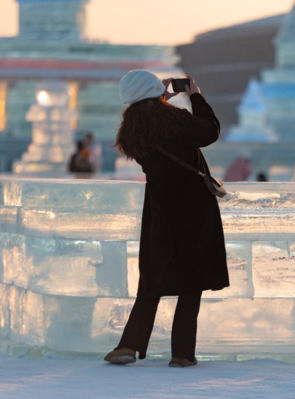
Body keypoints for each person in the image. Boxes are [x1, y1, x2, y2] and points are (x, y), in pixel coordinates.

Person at [104, 70, 229, 368]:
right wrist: (194, 94)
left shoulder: (132, 133)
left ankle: (128, 346)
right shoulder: (176, 121)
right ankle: (182, 354)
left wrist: (157, 97)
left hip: (160, 211)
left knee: (152, 277)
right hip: (194, 209)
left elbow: (151, 120)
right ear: (153, 93)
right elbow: (210, 130)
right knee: (192, 278)